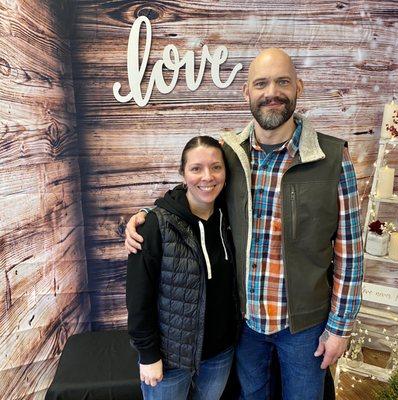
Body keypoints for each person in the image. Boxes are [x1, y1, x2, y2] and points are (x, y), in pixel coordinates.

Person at [125, 48, 364, 400]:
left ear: (298, 86)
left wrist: (339, 328)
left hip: (305, 328)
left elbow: (351, 252)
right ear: (247, 93)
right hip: (245, 325)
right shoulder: (231, 154)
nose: (272, 92)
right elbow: (196, 190)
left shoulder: (331, 159)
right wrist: (147, 214)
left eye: (283, 81)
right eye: (261, 83)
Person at [126, 136, 240, 400]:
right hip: (170, 359)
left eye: (216, 167)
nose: (207, 177)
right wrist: (148, 355)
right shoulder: (155, 225)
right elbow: (138, 298)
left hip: (220, 354)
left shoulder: (230, 216)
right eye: (196, 168)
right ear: (183, 173)